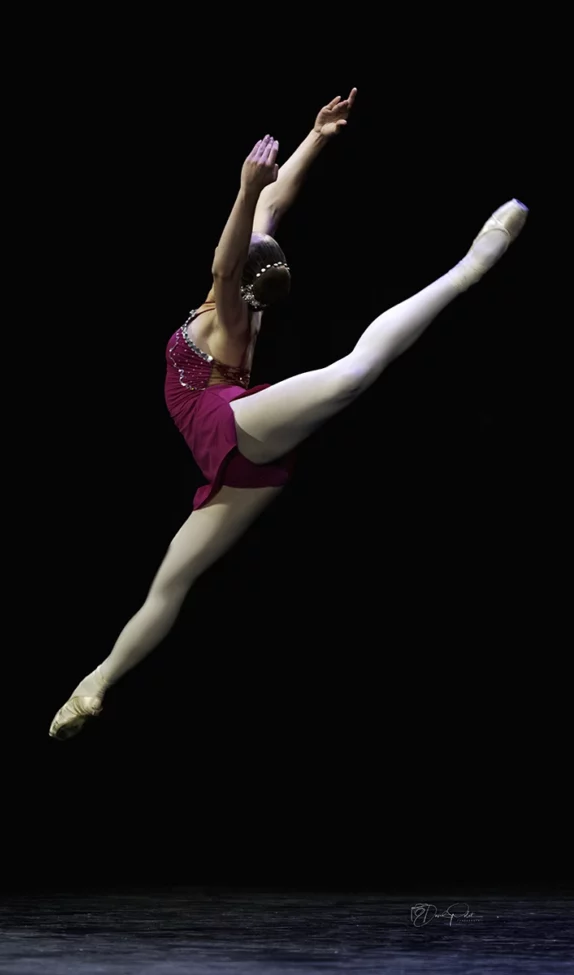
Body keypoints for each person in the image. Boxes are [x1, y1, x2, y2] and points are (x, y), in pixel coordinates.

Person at [49, 90, 527, 739]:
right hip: (236, 464)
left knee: (351, 375)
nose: (247, 237)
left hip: (230, 424)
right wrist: (318, 136)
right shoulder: (249, 273)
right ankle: (93, 685)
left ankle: (469, 268)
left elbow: (230, 252)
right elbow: (277, 206)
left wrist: (244, 188)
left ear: (242, 278)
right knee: (171, 579)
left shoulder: (234, 307)